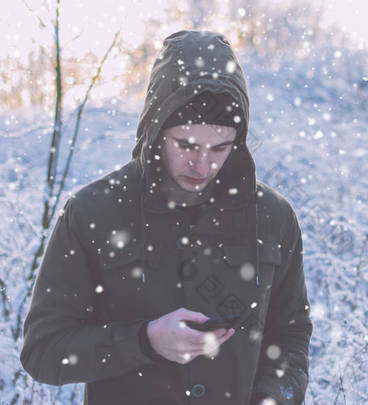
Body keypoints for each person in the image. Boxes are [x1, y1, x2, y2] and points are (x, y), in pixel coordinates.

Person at [19, 29, 313, 405]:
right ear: (157, 130)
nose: (202, 164)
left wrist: (274, 398)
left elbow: (289, 337)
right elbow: (44, 351)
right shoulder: (93, 212)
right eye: (186, 145)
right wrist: (143, 340)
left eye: (220, 147)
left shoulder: (272, 217)